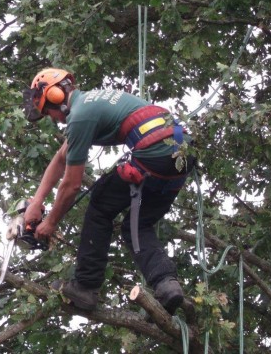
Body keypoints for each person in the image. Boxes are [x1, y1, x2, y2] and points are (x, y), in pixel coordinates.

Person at [22, 68, 195, 314]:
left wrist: (50, 223)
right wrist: (36, 202)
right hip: (181, 155)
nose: (53, 119)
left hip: (154, 152)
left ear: (55, 96)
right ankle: (167, 285)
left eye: (47, 111)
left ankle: (85, 286)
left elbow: (71, 185)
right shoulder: (91, 103)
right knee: (138, 225)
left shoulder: (80, 116)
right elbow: (61, 159)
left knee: (101, 202)